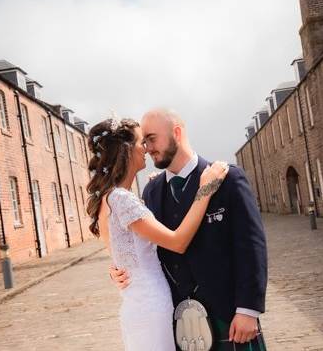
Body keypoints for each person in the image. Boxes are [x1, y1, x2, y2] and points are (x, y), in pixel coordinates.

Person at [111, 109, 268, 350]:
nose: (147, 147)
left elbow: (251, 246)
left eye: (152, 138)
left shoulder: (228, 178)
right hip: (177, 322)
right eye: (144, 141)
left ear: (176, 132)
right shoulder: (151, 193)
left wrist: (248, 309)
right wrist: (120, 269)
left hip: (229, 315)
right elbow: (145, 247)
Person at [86, 117, 230, 350]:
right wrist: (206, 188)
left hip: (139, 304)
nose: (147, 149)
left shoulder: (110, 198)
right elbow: (178, 242)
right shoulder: (121, 199)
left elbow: (124, 253)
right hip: (150, 306)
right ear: (126, 150)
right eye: (142, 142)